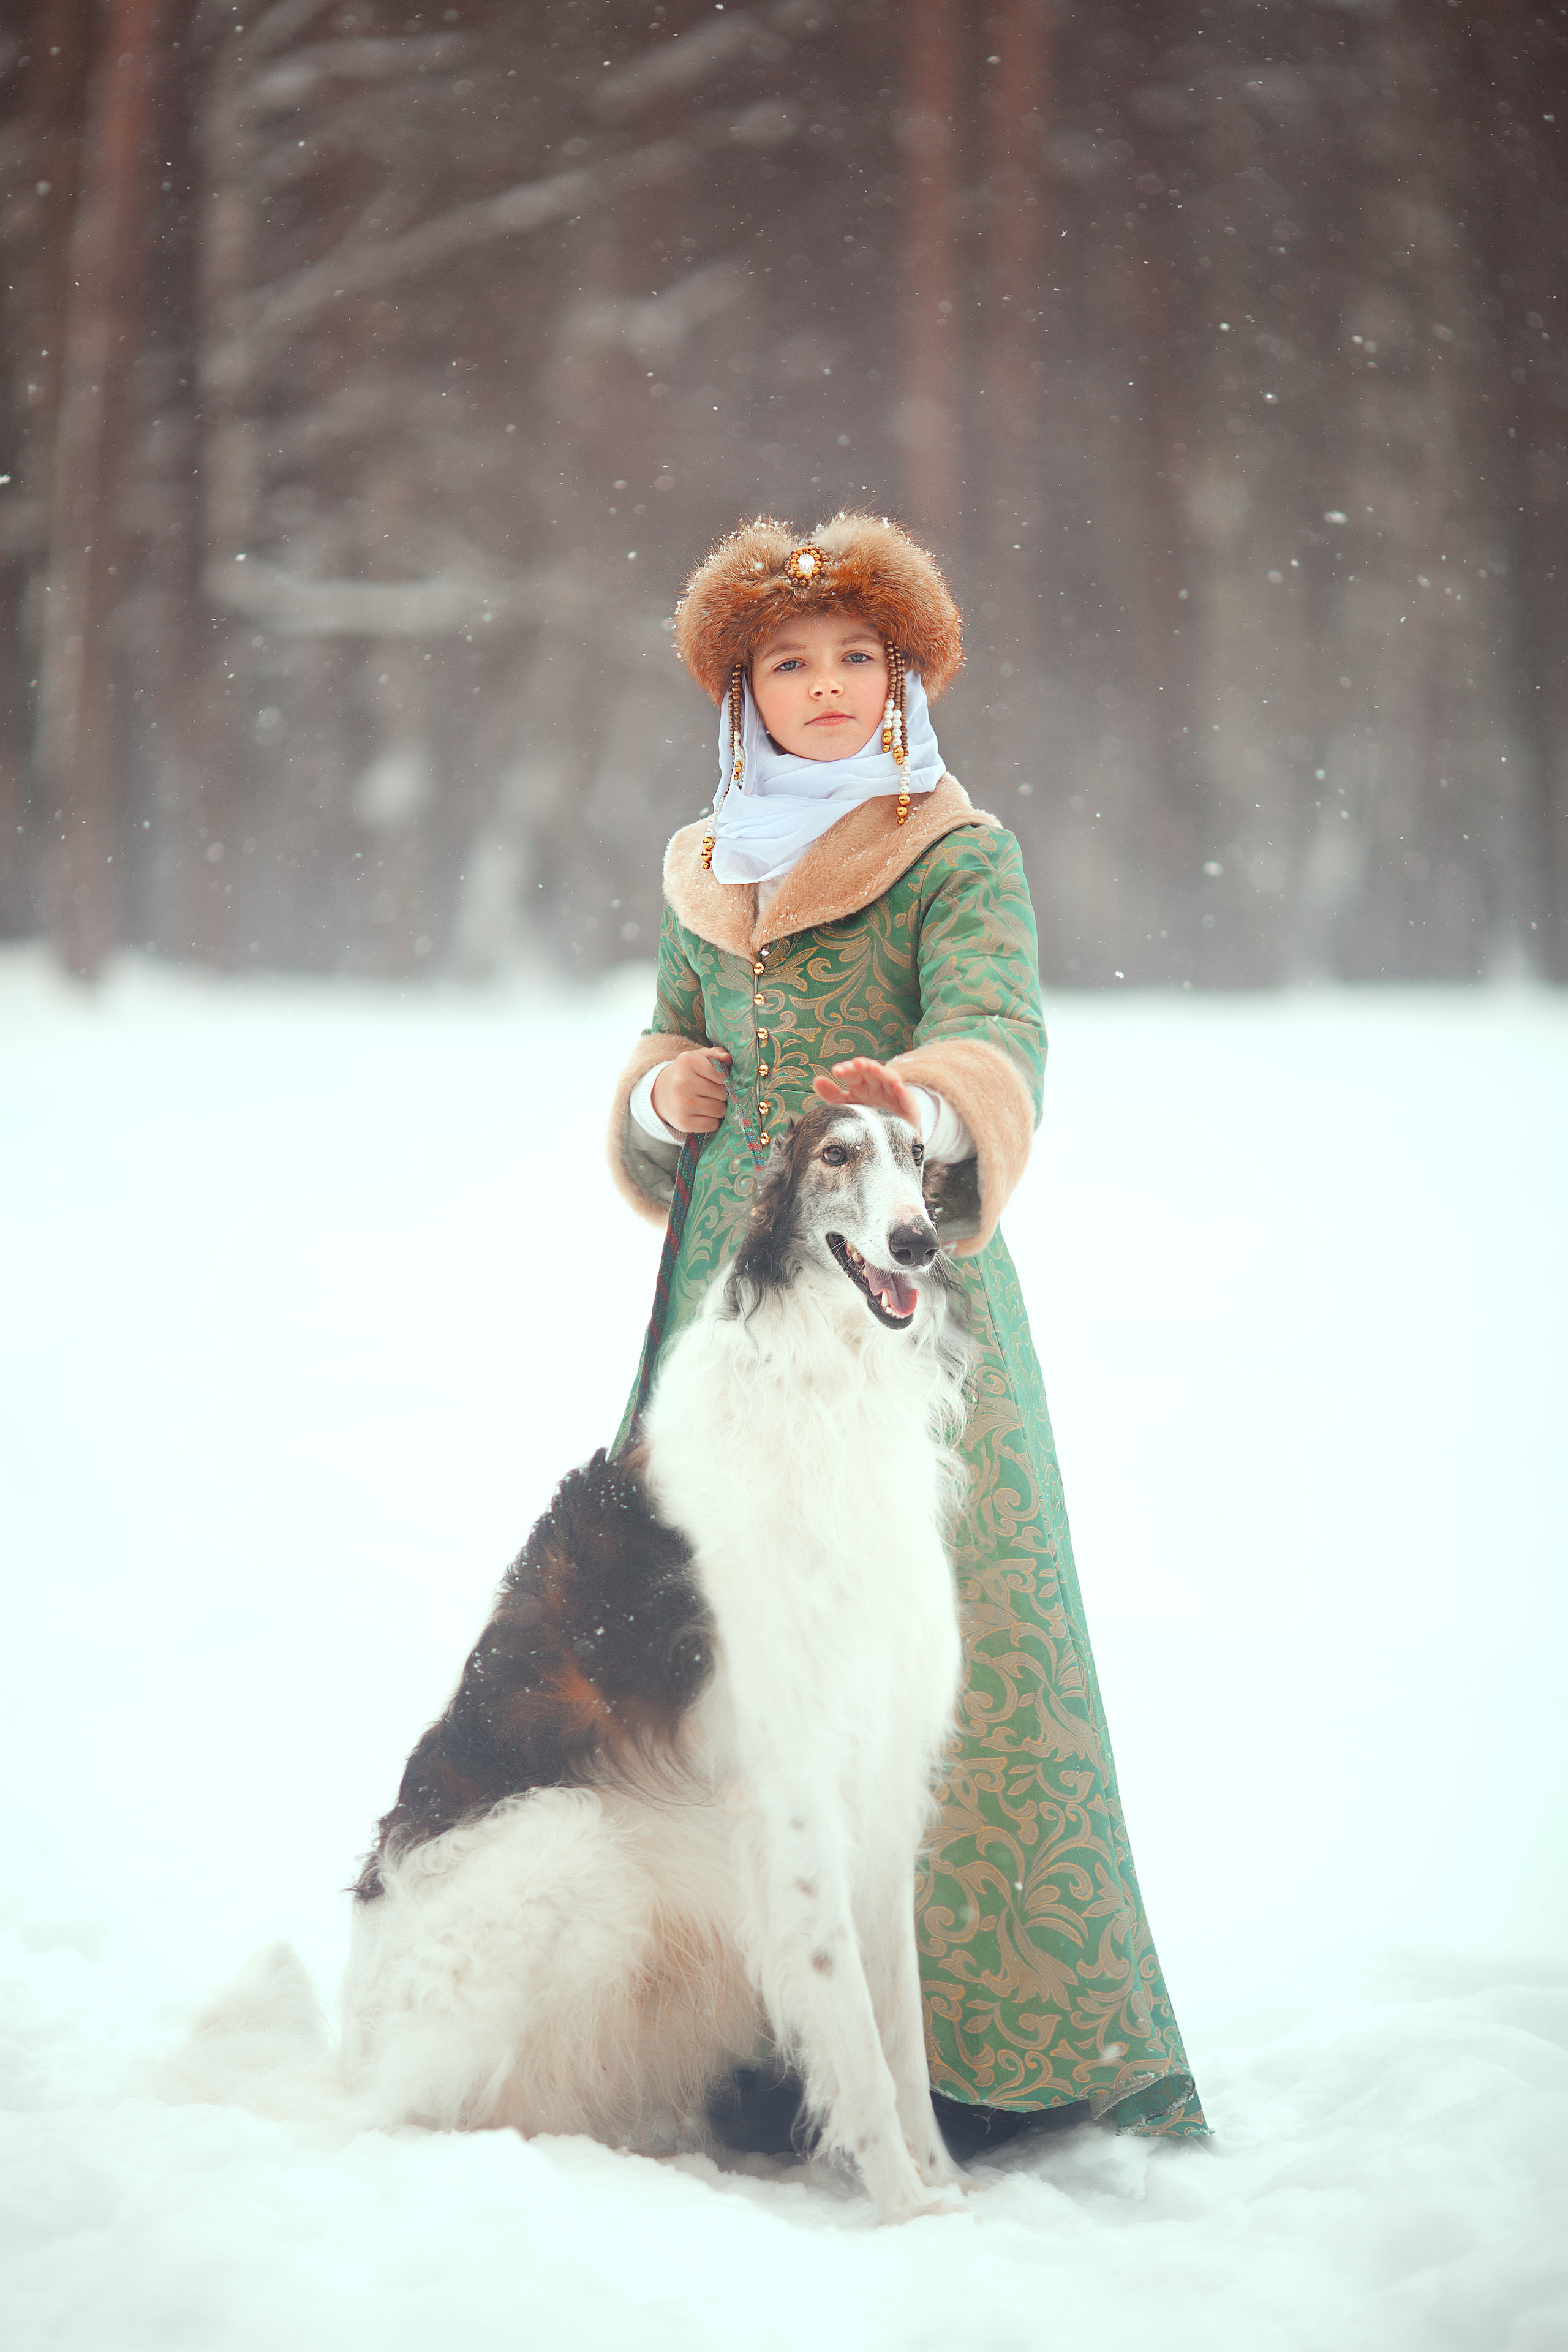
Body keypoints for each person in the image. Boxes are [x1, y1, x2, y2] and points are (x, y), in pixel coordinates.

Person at [607, 511, 1205, 2151]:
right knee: (717, 1659)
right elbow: (671, 1027)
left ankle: (980, 2055)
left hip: (904, 1305)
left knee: (940, 1656)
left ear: (901, 681)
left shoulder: (954, 849)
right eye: (787, 666)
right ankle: (732, 2044)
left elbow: (997, 1030)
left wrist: (922, 1099)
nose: (822, 690)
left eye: (853, 661)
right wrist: (664, 1092)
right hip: (734, 1325)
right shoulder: (707, 861)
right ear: (743, 694)